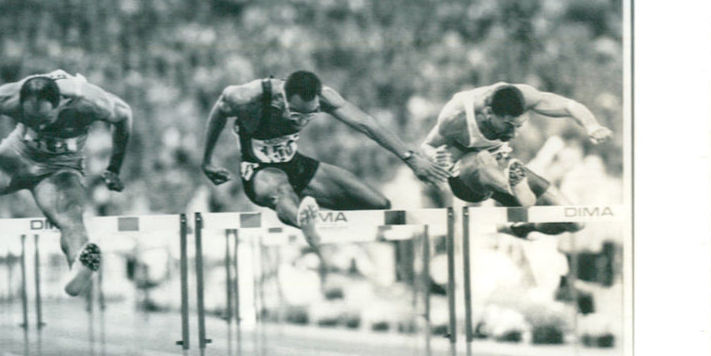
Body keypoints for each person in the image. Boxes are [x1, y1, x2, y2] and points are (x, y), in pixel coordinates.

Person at [0, 69, 132, 296]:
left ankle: (81, 263)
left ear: (62, 103)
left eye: (45, 119)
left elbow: (125, 115)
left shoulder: (89, 102)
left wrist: (114, 167)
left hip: (59, 170)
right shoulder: (7, 97)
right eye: (32, 120)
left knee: (70, 216)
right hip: (14, 158)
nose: (39, 126)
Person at [201, 70, 446, 247]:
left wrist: (410, 158)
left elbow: (367, 124)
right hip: (259, 171)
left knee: (378, 205)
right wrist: (208, 160)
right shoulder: (247, 97)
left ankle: (310, 213)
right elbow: (218, 115)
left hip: (296, 164)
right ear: (281, 99)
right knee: (282, 192)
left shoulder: (325, 98)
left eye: (310, 115)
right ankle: (302, 220)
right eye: (296, 114)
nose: (301, 121)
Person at [420, 82, 612, 237]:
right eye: (509, 125)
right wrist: (435, 157)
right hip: (467, 180)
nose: (514, 133)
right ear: (488, 113)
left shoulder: (525, 95)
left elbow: (569, 106)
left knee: (574, 221)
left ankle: (521, 227)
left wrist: (592, 126)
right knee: (482, 158)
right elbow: (427, 146)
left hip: (503, 167)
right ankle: (516, 192)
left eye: (519, 125)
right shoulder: (457, 114)